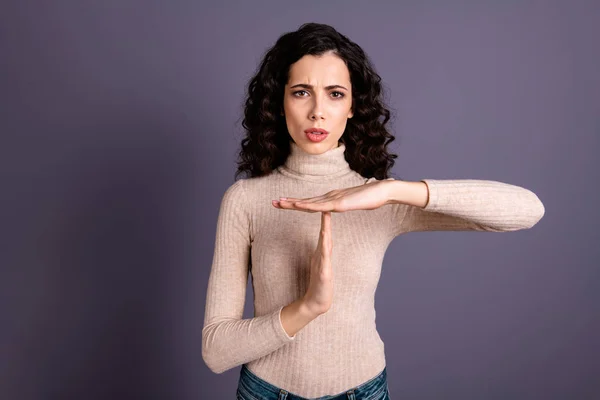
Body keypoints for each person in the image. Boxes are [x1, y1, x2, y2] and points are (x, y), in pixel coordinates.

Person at [202, 22, 545, 400]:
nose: (317, 112)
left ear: (352, 107)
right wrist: (307, 308)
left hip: (362, 391)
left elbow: (528, 210)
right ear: (279, 102)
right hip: (266, 393)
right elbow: (217, 351)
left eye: (335, 94)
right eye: (301, 92)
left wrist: (392, 190)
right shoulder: (245, 200)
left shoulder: (381, 201)